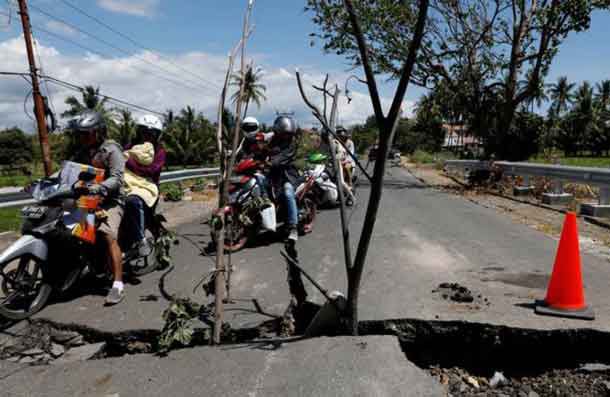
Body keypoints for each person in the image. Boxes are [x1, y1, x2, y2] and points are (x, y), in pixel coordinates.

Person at [69, 111, 126, 305]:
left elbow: (117, 178)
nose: (83, 137)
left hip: (111, 201)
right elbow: (70, 170)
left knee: (107, 234)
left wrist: (101, 187)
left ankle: (118, 284)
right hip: (89, 199)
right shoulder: (82, 152)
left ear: (99, 132)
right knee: (72, 228)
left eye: (87, 133)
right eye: (81, 134)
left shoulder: (111, 150)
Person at [123, 114, 166, 260]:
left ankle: (141, 240)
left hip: (147, 187)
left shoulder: (159, 151)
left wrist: (129, 162)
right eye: (144, 132)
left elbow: (150, 171)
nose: (146, 137)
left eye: (151, 134)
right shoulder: (130, 146)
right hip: (126, 182)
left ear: (156, 136)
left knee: (133, 201)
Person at [268, 115, 300, 242]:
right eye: (285, 133)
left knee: (287, 192)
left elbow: (279, 159)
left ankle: (293, 227)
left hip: (288, 175)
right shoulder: (272, 141)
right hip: (273, 175)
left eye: (289, 134)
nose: (287, 136)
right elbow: (265, 151)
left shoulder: (292, 144)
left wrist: (270, 162)